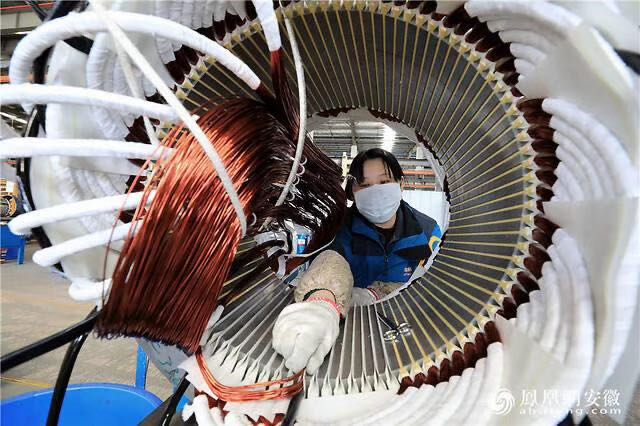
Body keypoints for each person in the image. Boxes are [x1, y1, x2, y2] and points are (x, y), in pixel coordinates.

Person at [272, 148, 442, 374]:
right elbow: (330, 261)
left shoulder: (427, 231)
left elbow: (434, 282)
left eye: (384, 181)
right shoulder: (337, 228)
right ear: (352, 191)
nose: (375, 191)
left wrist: (375, 294)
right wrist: (323, 302)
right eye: (364, 185)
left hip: (405, 331)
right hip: (345, 331)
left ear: (401, 183)